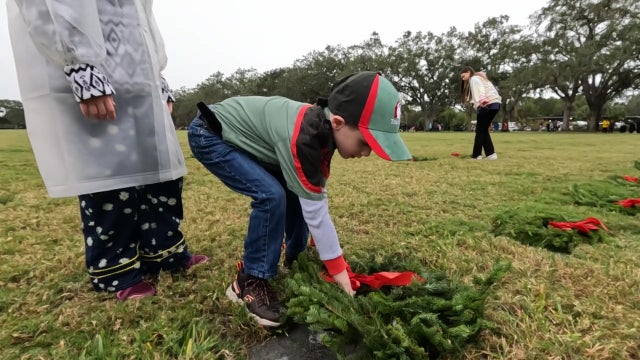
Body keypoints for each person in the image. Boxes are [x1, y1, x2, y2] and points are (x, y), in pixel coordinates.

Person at [6, 0, 208, 301]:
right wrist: (81, 67)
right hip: (95, 73)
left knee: (163, 172)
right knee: (110, 179)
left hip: (141, 79)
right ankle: (115, 269)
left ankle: (164, 250)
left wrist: (158, 78)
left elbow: (142, 18)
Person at [188, 71, 412, 327]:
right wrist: (343, 279)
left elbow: (313, 197)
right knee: (271, 195)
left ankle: (296, 258)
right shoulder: (305, 137)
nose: (367, 152)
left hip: (239, 136)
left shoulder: (321, 132)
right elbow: (316, 214)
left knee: (295, 192)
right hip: (211, 134)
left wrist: (319, 257)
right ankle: (248, 281)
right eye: (365, 142)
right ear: (337, 122)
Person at [459, 67, 501, 160]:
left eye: (463, 76)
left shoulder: (474, 78)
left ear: (468, 72)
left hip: (486, 104)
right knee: (483, 129)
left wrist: (482, 100)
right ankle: (491, 154)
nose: (463, 79)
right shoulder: (481, 78)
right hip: (496, 104)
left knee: (479, 131)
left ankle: (476, 155)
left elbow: (480, 89)